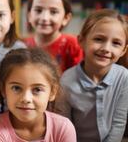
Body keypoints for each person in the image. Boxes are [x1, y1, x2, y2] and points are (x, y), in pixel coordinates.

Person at [55, 9, 128, 142]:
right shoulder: (66, 81)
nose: (106, 48)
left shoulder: (124, 77)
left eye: (116, 43)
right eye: (99, 39)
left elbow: (119, 123)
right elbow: (64, 126)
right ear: (81, 41)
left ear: (123, 50)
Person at [0, 48, 76, 142]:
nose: (26, 98)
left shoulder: (63, 128)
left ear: (52, 92)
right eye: (16, 88)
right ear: (4, 90)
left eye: (37, 89)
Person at [25, 0, 83, 72]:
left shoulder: (73, 45)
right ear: (29, 15)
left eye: (53, 12)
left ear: (66, 18)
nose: (44, 18)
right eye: (38, 10)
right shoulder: (23, 45)